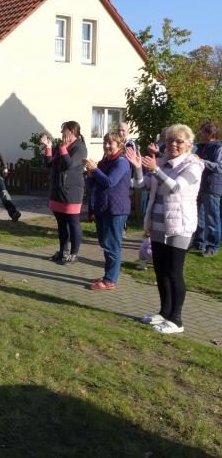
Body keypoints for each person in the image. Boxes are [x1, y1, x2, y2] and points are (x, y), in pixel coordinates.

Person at [127, 124, 203, 334]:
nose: (173, 144)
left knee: (173, 272)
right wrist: (139, 167)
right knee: (160, 271)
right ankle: (164, 313)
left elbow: (175, 187)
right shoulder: (162, 163)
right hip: (158, 226)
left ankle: (176, 320)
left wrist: (155, 170)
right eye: (170, 140)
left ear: (189, 144)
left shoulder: (193, 166)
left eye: (179, 141)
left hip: (179, 227)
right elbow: (141, 184)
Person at [83, 131, 131, 289]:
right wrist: (90, 172)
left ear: (119, 145)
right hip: (102, 208)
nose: (107, 146)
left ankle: (110, 280)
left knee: (112, 245)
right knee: (105, 243)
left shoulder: (121, 162)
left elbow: (110, 182)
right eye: (105, 143)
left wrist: (95, 170)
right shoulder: (104, 161)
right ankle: (108, 275)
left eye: (110, 143)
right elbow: (93, 184)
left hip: (116, 210)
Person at [41, 121, 87, 265]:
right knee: (61, 224)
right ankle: (63, 252)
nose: (61, 133)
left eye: (64, 131)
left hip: (71, 192)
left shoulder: (80, 148)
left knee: (73, 223)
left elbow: (69, 164)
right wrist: (48, 147)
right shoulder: (61, 146)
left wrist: (62, 148)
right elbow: (49, 164)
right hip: (58, 191)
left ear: (71, 132)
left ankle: (74, 254)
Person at [193, 122, 222, 257]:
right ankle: (199, 242)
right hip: (201, 185)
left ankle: (212, 246)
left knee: (212, 217)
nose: (201, 134)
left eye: (203, 132)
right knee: (199, 215)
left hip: (213, 186)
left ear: (210, 133)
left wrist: (201, 161)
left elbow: (219, 167)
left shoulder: (219, 147)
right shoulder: (203, 146)